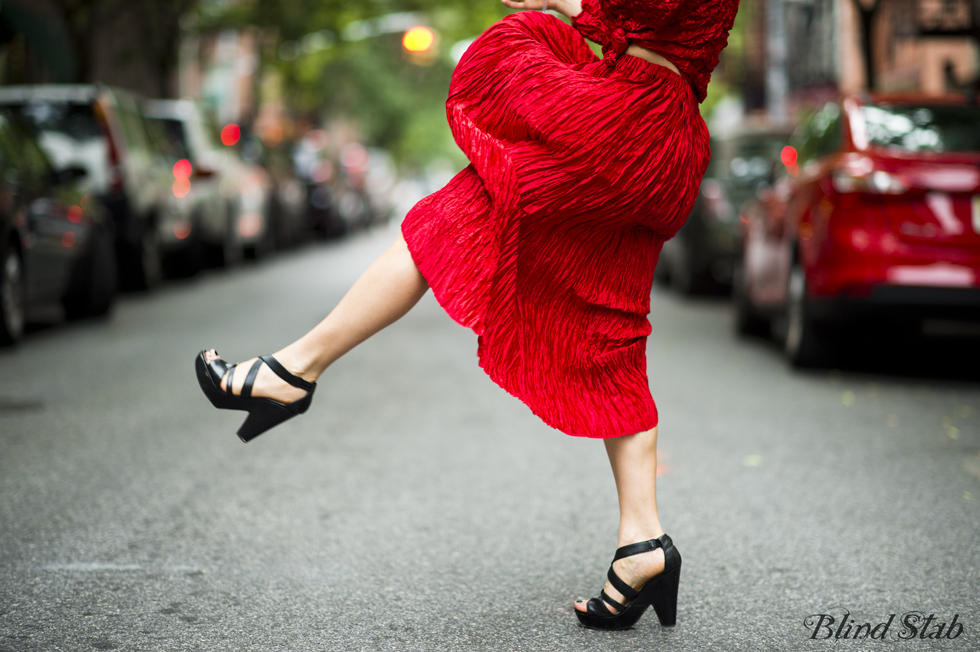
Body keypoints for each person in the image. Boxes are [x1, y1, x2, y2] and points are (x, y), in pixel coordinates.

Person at [196, 0, 738, 631]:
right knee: (610, 321)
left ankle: (290, 372)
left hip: (618, 122)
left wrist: (557, 3)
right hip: (666, 142)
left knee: (448, 220)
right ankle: (642, 543)